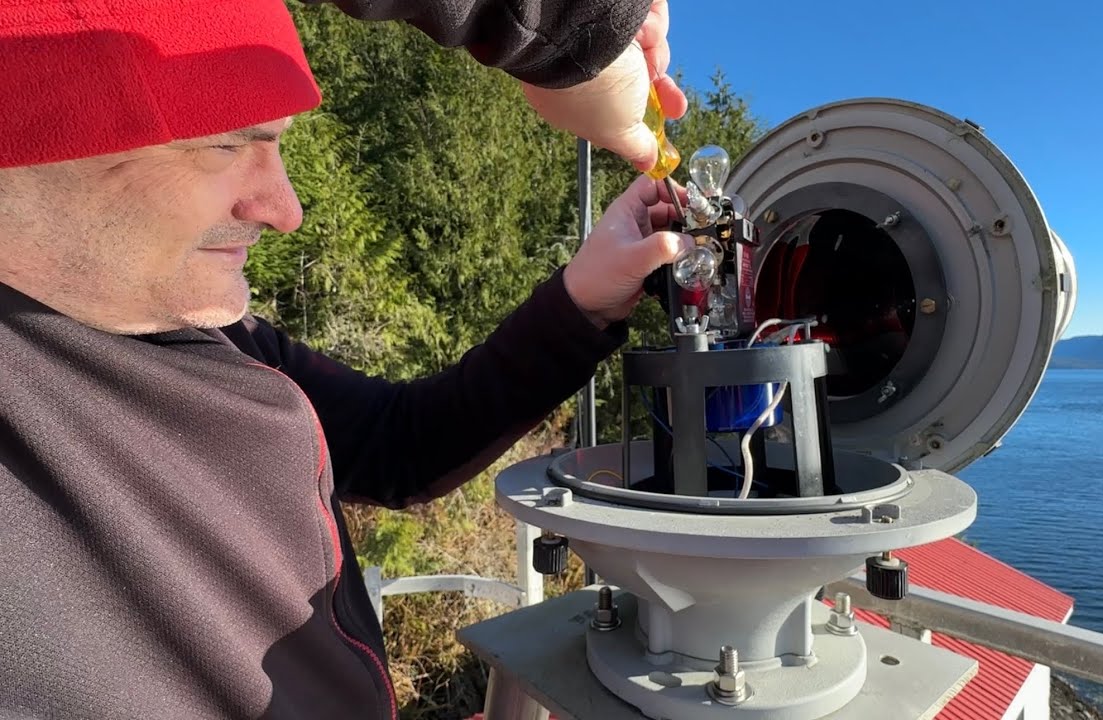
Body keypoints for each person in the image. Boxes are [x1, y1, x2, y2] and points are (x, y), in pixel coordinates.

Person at [0, 1, 691, 718]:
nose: (284, 208)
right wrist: (568, 23)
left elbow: (399, 445)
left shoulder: (222, 340)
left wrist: (586, 300)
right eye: (229, 146)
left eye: (280, 146)